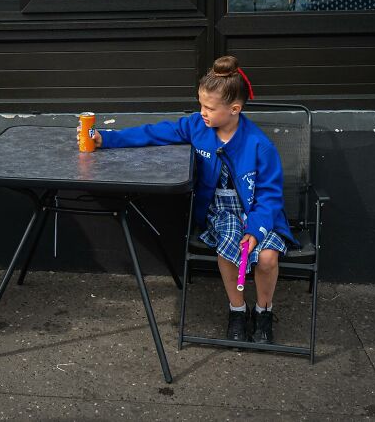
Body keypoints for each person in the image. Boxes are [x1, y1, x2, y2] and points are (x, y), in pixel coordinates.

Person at [80, 56, 295, 344]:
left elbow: (269, 195)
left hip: (257, 213)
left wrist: (255, 231)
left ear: (234, 109)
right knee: (228, 249)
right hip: (220, 212)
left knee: (267, 258)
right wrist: (107, 138)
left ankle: (264, 311)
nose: (202, 112)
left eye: (209, 107)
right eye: (201, 105)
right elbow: (155, 133)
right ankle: (237, 310)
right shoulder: (197, 127)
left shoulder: (260, 145)